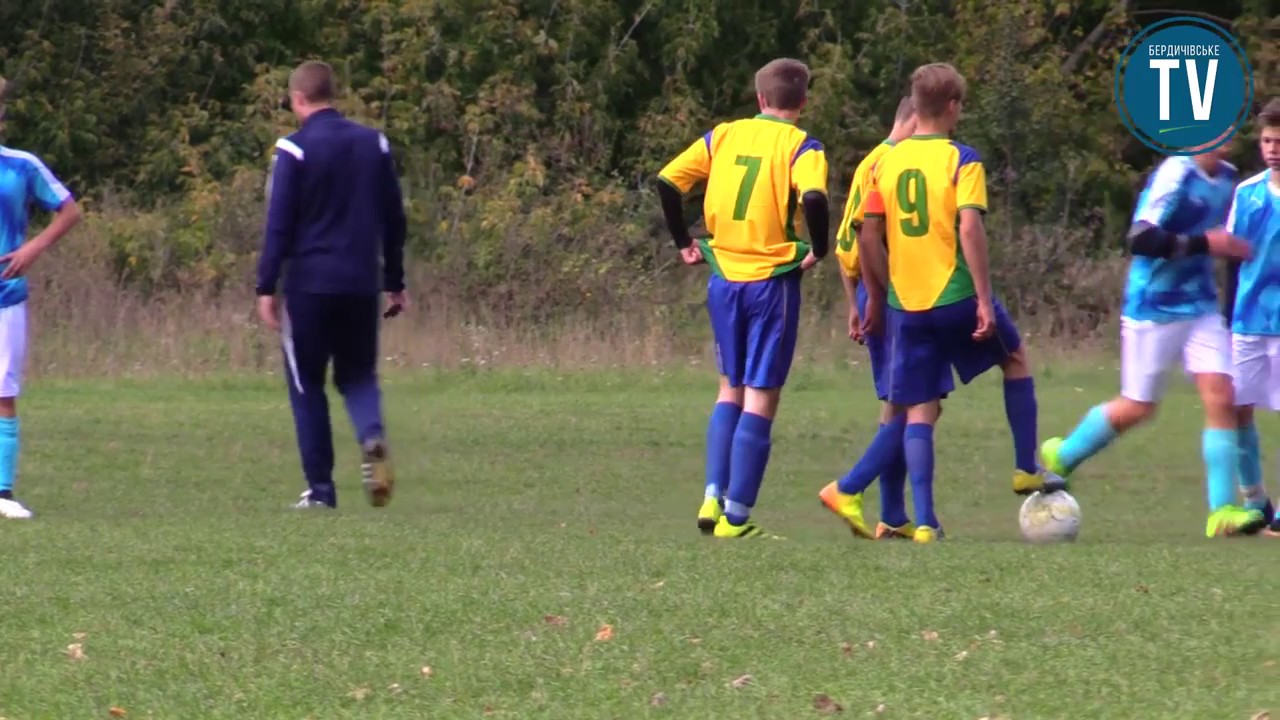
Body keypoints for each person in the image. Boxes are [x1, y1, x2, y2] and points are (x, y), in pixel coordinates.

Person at [840, 62, 1049, 544]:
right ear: (953, 107)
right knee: (1015, 358)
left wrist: (880, 295)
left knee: (917, 407)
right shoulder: (962, 160)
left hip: (905, 304)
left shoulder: (885, 162)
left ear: (915, 107)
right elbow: (969, 228)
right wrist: (983, 299)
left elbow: (867, 236)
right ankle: (1025, 468)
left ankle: (924, 522)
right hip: (954, 295)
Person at [1039, 130, 1263, 538]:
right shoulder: (1176, 173)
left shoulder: (1229, 177)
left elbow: (1225, 243)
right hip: (1153, 307)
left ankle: (1221, 512)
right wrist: (1205, 244)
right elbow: (1141, 238)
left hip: (1200, 307)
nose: (1228, 133)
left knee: (1223, 396)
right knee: (1138, 407)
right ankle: (1063, 455)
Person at [656, 57, 830, 539]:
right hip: (771, 280)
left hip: (724, 280)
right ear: (803, 102)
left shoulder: (723, 136)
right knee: (761, 393)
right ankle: (736, 517)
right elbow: (814, 198)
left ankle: (712, 494)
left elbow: (667, 181)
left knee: (728, 387)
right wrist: (820, 249)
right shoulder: (803, 146)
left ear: (760, 98)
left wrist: (684, 241)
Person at [256, 61, 407, 510]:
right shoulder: (374, 143)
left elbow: (278, 224)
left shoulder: (294, 149)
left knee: (306, 384)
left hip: (309, 287)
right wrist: (394, 281)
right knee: (358, 376)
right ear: (332, 94)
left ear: (297, 99)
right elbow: (394, 218)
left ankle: (321, 490)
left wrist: (266, 286)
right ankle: (372, 437)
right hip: (361, 283)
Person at [819, 96, 922, 540]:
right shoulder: (895, 164)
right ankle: (847, 488)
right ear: (915, 120)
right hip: (893, 292)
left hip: (870, 290)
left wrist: (855, 303)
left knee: (895, 403)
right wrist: (876, 299)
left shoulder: (869, 163)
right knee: (919, 403)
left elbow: (845, 246)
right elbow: (865, 240)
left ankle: (893, 517)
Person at [0, 115, 82, 520]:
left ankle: (2, 491)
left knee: (3, 391)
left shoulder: (21, 165)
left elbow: (69, 210)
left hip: (5, 295)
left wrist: (33, 248)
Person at [1222, 98, 1280, 535]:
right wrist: (1226, 316)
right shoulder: (1247, 194)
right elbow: (1231, 258)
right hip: (1248, 320)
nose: (1273, 150)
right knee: (1237, 408)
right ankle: (1256, 502)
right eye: (1267, 141)